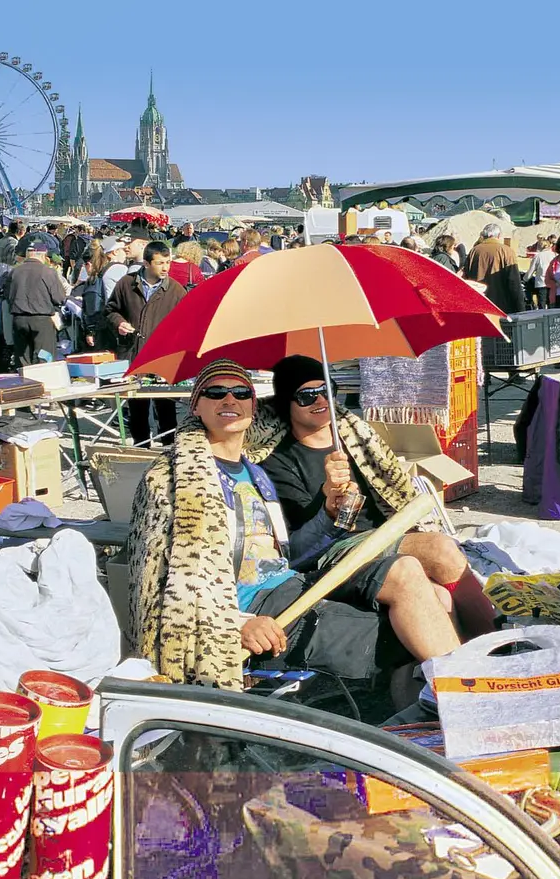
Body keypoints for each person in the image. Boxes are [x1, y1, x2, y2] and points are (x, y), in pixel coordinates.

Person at [128, 359, 462, 690]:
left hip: (291, 587)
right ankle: (462, 699)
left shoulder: (255, 474)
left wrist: (330, 514)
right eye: (216, 392)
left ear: (253, 406)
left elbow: (290, 557)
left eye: (241, 392)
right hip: (249, 614)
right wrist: (237, 624)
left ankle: (434, 716)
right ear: (196, 406)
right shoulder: (172, 481)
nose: (229, 400)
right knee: (413, 635)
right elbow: (156, 589)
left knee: (428, 600)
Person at [257, 355, 499, 639]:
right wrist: (330, 500)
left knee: (440, 596)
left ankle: (475, 655)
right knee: (440, 550)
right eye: (306, 396)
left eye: (327, 390)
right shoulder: (279, 460)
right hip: (336, 549)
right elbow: (302, 543)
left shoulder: (355, 436)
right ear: (287, 402)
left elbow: (393, 487)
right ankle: (495, 641)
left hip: (383, 533)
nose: (320, 401)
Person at [107, 240, 187, 446]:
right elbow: (110, 311)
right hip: (133, 355)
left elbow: (186, 324)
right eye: (160, 263)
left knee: (166, 409)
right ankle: (141, 449)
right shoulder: (126, 284)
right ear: (146, 263)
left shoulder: (176, 290)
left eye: (168, 262)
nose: (166, 268)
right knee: (137, 409)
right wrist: (120, 323)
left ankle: (170, 449)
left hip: (163, 359)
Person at [4, 232, 67, 366]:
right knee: (44, 357)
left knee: (23, 359)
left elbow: (8, 296)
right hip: (42, 320)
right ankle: (43, 383)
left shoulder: (14, 272)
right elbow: (60, 298)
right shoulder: (48, 272)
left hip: (19, 319)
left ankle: (26, 385)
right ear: (44, 255)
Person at [462, 223, 526, 315]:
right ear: (499, 235)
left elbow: (467, 277)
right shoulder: (506, 251)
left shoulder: (474, 251)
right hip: (501, 306)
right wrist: (520, 308)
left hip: (479, 304)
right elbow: (514, 282)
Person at [523, 235, 555, 310]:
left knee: (542, 305)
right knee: (552, 305)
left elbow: (531, 270)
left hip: (541, 283)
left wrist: (525, 279)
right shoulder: (554, 255)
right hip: (553, 284)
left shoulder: (538, 256)